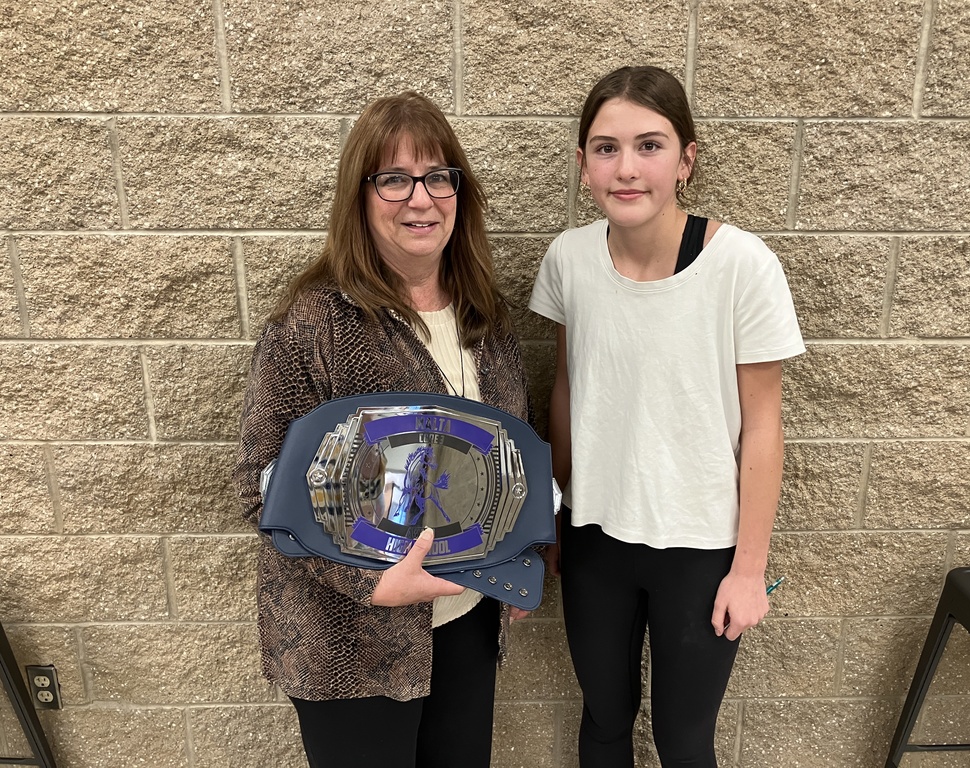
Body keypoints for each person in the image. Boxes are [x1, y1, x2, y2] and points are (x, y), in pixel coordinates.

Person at [233, 91, 532, 768]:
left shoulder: (487, 320)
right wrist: (369, 583)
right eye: (394, 178)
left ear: (461, 192)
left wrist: (514, 558)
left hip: (465, 622)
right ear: (360, 197)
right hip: (350, 644)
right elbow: (261, 485)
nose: (420, 198)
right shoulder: (315, 323)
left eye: (437, 176)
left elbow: (505, 462)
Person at [529, 66, 805, 768]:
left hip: (701, 546)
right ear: (583, 164)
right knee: (603, 722)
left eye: (649, 146)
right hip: (595, 539)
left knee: (684, 740)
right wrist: (552, 517)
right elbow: (567, 386)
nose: (626, 168)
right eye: (605, 147)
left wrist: (749, 567)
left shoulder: (742, 266)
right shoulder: (568, 260)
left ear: (686, 159)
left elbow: (764, 427)